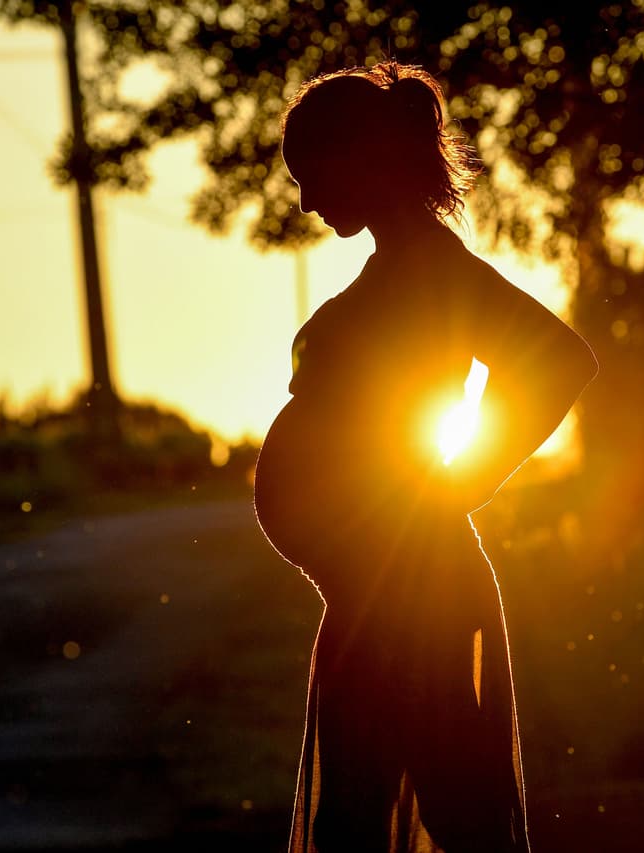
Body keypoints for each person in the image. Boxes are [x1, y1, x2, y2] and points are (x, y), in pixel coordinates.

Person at [253, 61, 597, 853]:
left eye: (312, 176)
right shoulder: (399, 268)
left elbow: (560, 360)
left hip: (413, 595)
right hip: (380, 594)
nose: (305, 200)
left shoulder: (433, 270)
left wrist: (459, 486)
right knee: (372, 809)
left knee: (447, 805)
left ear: (362, 160)